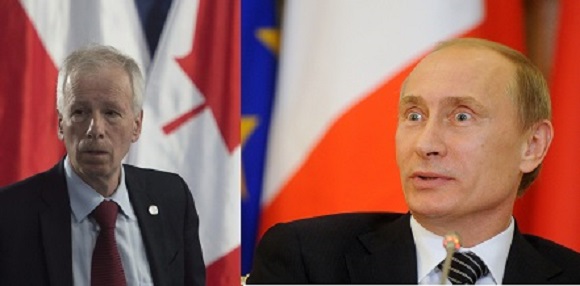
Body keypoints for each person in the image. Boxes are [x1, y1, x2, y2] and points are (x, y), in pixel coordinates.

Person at [246, 38, 580, 284]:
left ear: (532, 145)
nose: (426, 144)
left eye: (462, 117)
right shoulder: (309, 260)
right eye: (414, 115)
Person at [0, 45, 205, 286]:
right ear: (60, 124)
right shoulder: (10, 215)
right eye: (79, 112)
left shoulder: (172, 197)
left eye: (111, 113)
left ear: (136, 125)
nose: (95, 129)